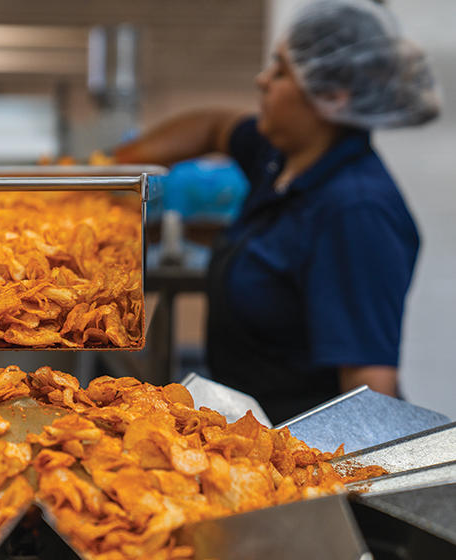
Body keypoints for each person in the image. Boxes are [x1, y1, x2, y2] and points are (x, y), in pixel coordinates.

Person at [113, 0, 440, 424]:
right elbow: (214, 125)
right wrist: (116, 169)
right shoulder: (280, 158)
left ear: (332, 96)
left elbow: (370, 395)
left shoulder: (356, 211)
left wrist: (328, 484)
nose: (261, 80)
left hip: (303, 449)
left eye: (281, 71)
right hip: (254, 426)